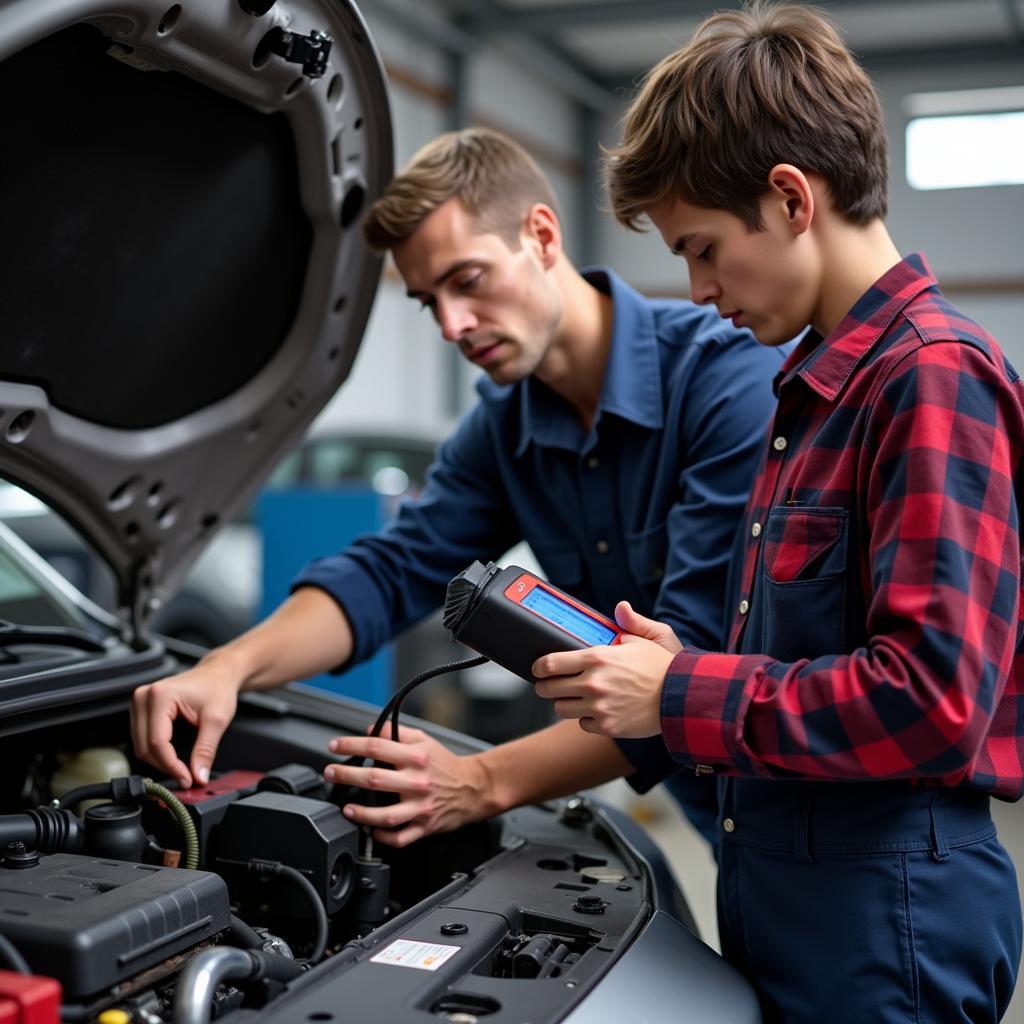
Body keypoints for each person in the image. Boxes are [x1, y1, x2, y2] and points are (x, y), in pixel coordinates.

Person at [324, 6, 1024, 1022]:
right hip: (791, 899)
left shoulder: (928, 377)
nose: (696, 290)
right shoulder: (809, 394)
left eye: (701, 249)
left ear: (789, 198)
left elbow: (934, 701)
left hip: (884, 924)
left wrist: (680, 691)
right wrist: (664, 666)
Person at [130, 127, 785, 849]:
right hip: (718, 814)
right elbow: (393, 570)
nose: (452, 325)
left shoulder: (728, 382)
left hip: (805, 799)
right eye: (427, 301)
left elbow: (680, 672)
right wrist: (226, 667)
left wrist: (481, 781)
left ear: (540, 235)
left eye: (467, 281)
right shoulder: (505, 427)